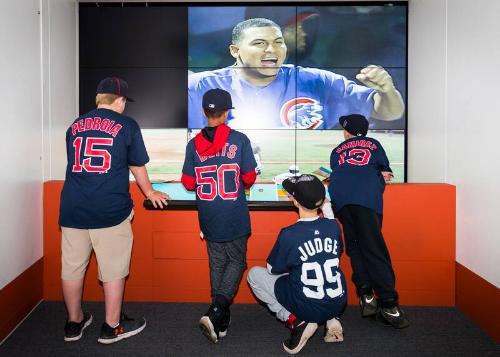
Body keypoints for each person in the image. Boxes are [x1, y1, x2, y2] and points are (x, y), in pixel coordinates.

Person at [59, 77, 170, 344]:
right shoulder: (126, 124)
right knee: (113, 270)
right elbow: (137, 165)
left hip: (73, 207)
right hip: (109, 209)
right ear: (119, 100)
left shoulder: (75, 126)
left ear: (98, 98)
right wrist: (150, 192)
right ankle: (112, 327)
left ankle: (74, 323)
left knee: (72, 269)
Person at [188, 17, 405, 130]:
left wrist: (387, 90)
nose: (271, 50)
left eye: (278, 42)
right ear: (235, 51)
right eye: (260, 43)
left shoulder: (318, 80)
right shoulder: (199, 86)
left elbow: (389, 113)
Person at [181, 88, 258, 343]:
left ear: (205, 112)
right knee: (236, 262)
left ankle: (220, 319)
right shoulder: (239, 140)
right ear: (226, 113)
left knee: (217, 263)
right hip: (233, 214)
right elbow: (248, 178)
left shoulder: (193, 144)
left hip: (209, 216)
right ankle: (216, 309)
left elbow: (188, 183)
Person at [248, 174, 346, 354]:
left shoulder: (289, 234)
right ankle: (332, 319)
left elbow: (272, 268)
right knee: (328, 264)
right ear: (323, 200)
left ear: (295, 202)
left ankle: (296, 320)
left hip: (309, 307)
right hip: (338, 302)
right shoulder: (334, 227)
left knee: (254, 274)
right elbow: (337, 251)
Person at [328, 113, 409, 329]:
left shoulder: (337, 151)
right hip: (365, 199)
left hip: (342, 200)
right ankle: (389, 304)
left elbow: (337, 172)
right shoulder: (374, 143)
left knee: (355, 248)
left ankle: (366, 296)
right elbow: (385, 171)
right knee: (374, 249)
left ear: (347, 131)